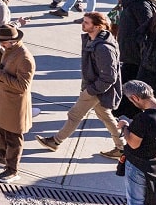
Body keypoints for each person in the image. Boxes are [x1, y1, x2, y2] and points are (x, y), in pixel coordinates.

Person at [36, 12, 125, 159]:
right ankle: (121, 147)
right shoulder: (92, 39)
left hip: (96, 89)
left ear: (97, 26)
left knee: (74, 115)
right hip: (94, 87)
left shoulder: (103, 48)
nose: (83, 25)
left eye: (86, 23)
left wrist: (90, 91)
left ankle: (55, 141)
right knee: (105, 116)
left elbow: (109, 77)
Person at [0, 24, 35, 183]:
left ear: (12, 41)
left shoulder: (24, 58)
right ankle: (2, 156)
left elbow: (23, 86)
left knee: (13, 137)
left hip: (14, 105)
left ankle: (12, 170)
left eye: (2, 42)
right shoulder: (11, 51)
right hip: (4, 101)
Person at [112, 80, 156, 205]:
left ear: (135, 98)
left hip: (139, 166)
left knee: (136, 203)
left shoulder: (143, 119)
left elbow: (133, 142)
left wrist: (125, 126)